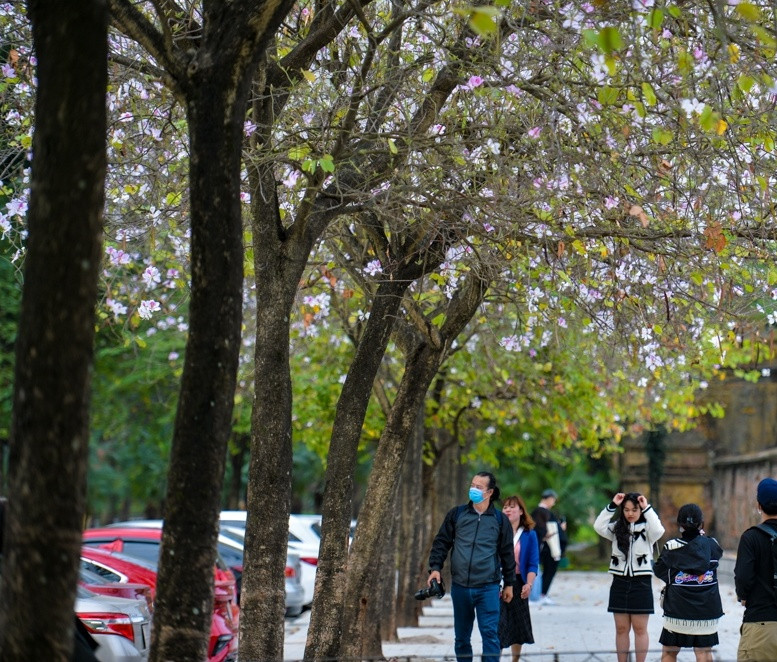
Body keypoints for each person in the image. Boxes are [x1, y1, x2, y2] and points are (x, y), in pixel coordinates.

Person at [427, 471, 516, 662]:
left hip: (488, 587)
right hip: (460, 587)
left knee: (490, 636)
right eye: (472, 485)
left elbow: (507, 554)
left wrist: (509, 583)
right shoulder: (456, 514)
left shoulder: (500, 521)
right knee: (461, 639)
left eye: (478, 487)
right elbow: (441, 543)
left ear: (490, 492)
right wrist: (435, 568)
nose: (473, 489)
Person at [594, 492, 665, 662]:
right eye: (626, 510)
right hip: (619, 582)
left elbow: (659, 530)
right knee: (621, 628)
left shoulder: (648, 529)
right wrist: (612, 505)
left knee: (640, 629)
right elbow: (598, 526)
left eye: (634, 509)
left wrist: (647, 508)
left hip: (641, 583)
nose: (630, 513)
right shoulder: (617, 528)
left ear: (640, 510)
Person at [653, 503, 723, 661]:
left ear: (680, 524)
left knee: (669, 653)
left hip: (677, 612)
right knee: (704, 653)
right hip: (707, 613)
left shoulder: (671, 547)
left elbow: (659, 571)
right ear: (701, 523)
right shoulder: (712, 545)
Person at [734, 477, 777, 661]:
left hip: (760, 625)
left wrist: (743, 595)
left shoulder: (751, 538)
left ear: (759, 505)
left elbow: (743, 578)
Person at [498, 494, 538, 662]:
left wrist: (529, 584)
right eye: (505, 507)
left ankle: (515, 659)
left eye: (512, 507)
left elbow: (532, 563)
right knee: (497, 623)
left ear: (521, 511)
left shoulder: (529, 535)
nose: (508, 510)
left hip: (518, 582)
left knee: (517, 624)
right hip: (498, 582)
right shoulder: (496, 530)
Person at [530, 488, 566, 604]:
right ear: (549, 499)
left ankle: (542, 593)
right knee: (547, 571)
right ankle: (540, 594)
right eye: (553, 500)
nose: (554, 502)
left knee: (547, 571)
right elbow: (540, 529)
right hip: (547, 548)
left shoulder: (543, 512)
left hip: (548, 547)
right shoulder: (540, 511)